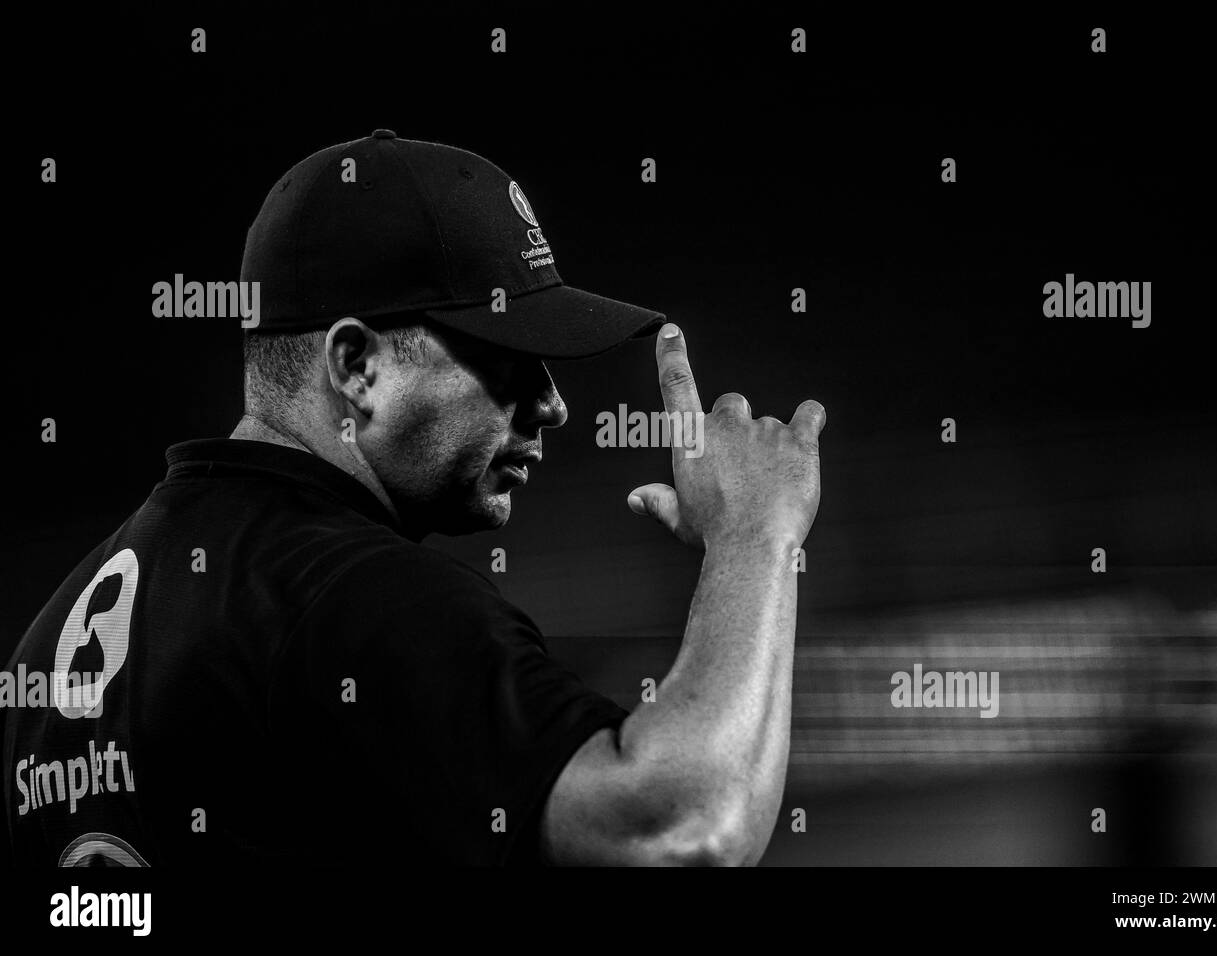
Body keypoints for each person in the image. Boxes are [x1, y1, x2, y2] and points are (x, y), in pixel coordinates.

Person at [2, 131, 825, 866]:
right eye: (507, 356)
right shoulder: (351, 594)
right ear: (357, 367)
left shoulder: (47, 651)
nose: (552, 405)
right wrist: (755, 535)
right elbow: (682, 830)